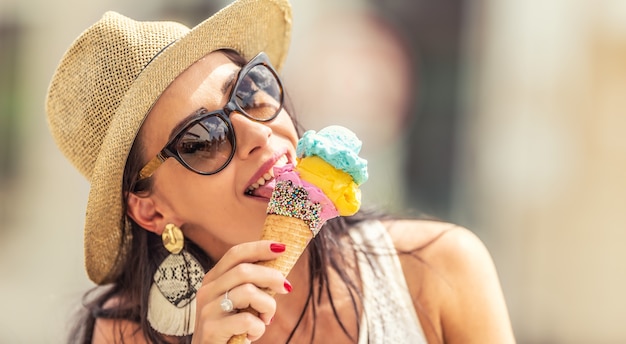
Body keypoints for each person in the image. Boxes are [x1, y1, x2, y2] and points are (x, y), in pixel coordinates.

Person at [46, 0, 515, 343]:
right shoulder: (122, 334)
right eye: (202, 138)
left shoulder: (437, 272)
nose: (255, 132)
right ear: (150, 209)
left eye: (250, 91)